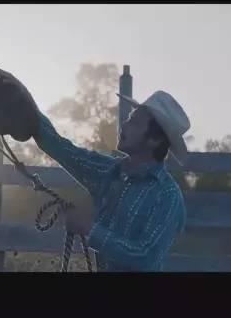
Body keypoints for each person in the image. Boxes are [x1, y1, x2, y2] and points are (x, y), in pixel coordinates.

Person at [31, 90, 191, 272]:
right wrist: (25, 105)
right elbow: (64, 150)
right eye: (130, 118)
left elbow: (145, 257)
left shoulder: (168, 196)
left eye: (135, 122)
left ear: (154, 140)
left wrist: (89, 228)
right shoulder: (109, 171)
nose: (125, 124)